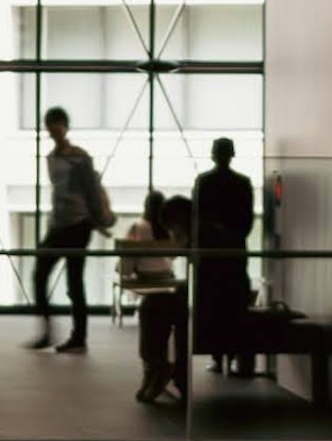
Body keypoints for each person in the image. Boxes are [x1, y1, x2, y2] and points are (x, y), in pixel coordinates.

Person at [28, 108, 107, 350]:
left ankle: (79, 337)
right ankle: (48, 331)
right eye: (49, 124)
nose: (53, 128)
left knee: (74, 282)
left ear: (65, 126)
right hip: (58, 224)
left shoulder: (79, 156)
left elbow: (92, 189)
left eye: (57, 124)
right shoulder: (51, 157)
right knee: (39, 274)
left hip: (78, 224)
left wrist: (97, 219)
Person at [117, 189, 193, 407]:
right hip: (168, 281)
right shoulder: (172, 232)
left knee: (150, 312)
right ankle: (156, 369)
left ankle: (153, 368)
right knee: (158, 310)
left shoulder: (138, 227)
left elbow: (127, 263)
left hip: (149, 283)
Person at [189, 135, 257, 356]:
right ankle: (236, 350)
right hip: (234, 252)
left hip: (209, 253)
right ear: (232, 154)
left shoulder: (203, 182)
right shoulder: (243, 183)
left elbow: (196, 217)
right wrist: (232, 236)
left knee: (211, 302)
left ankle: (215, 351)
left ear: (213, 154)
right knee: (234, 301)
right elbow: (247, 221)